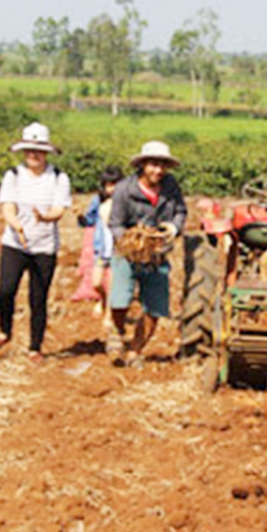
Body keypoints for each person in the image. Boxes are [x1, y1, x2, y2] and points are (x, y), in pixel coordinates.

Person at [0, 122, 72, 363]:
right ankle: (4, 330)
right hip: (15, 244)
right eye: (28, 150)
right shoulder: (13, 175)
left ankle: (35, 347)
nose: (33, 155)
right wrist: (16, 224)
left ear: (46, 152)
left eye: (37, 151)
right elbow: (8, 207)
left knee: (38, 298)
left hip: (45, 247)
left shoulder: (58, 178)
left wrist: (44, 217)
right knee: (6, 289)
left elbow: (59, 209)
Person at [107, 141, 187, 368]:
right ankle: (118, 331)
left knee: (154, 308)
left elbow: (180, 211)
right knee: (120, 300)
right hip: (127, 255)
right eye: (153, 165)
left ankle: (135, 350)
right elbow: (115, 223)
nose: (158, 170)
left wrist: (172, 228)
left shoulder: (171, 187)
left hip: (157, 255)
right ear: (142, 165)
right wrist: (133, 241)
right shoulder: (125, 189)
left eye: (162, 165)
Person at [77, 166, 123, 321]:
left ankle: (109, 315)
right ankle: (102, 300)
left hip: (118, 249)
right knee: (96, 282)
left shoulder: (124, 201)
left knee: (112, 284)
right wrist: (81, 218)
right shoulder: (98, 201)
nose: (112, 188)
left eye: (115, 184)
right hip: (101, 249)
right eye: (109, 185)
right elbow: (90, 220)